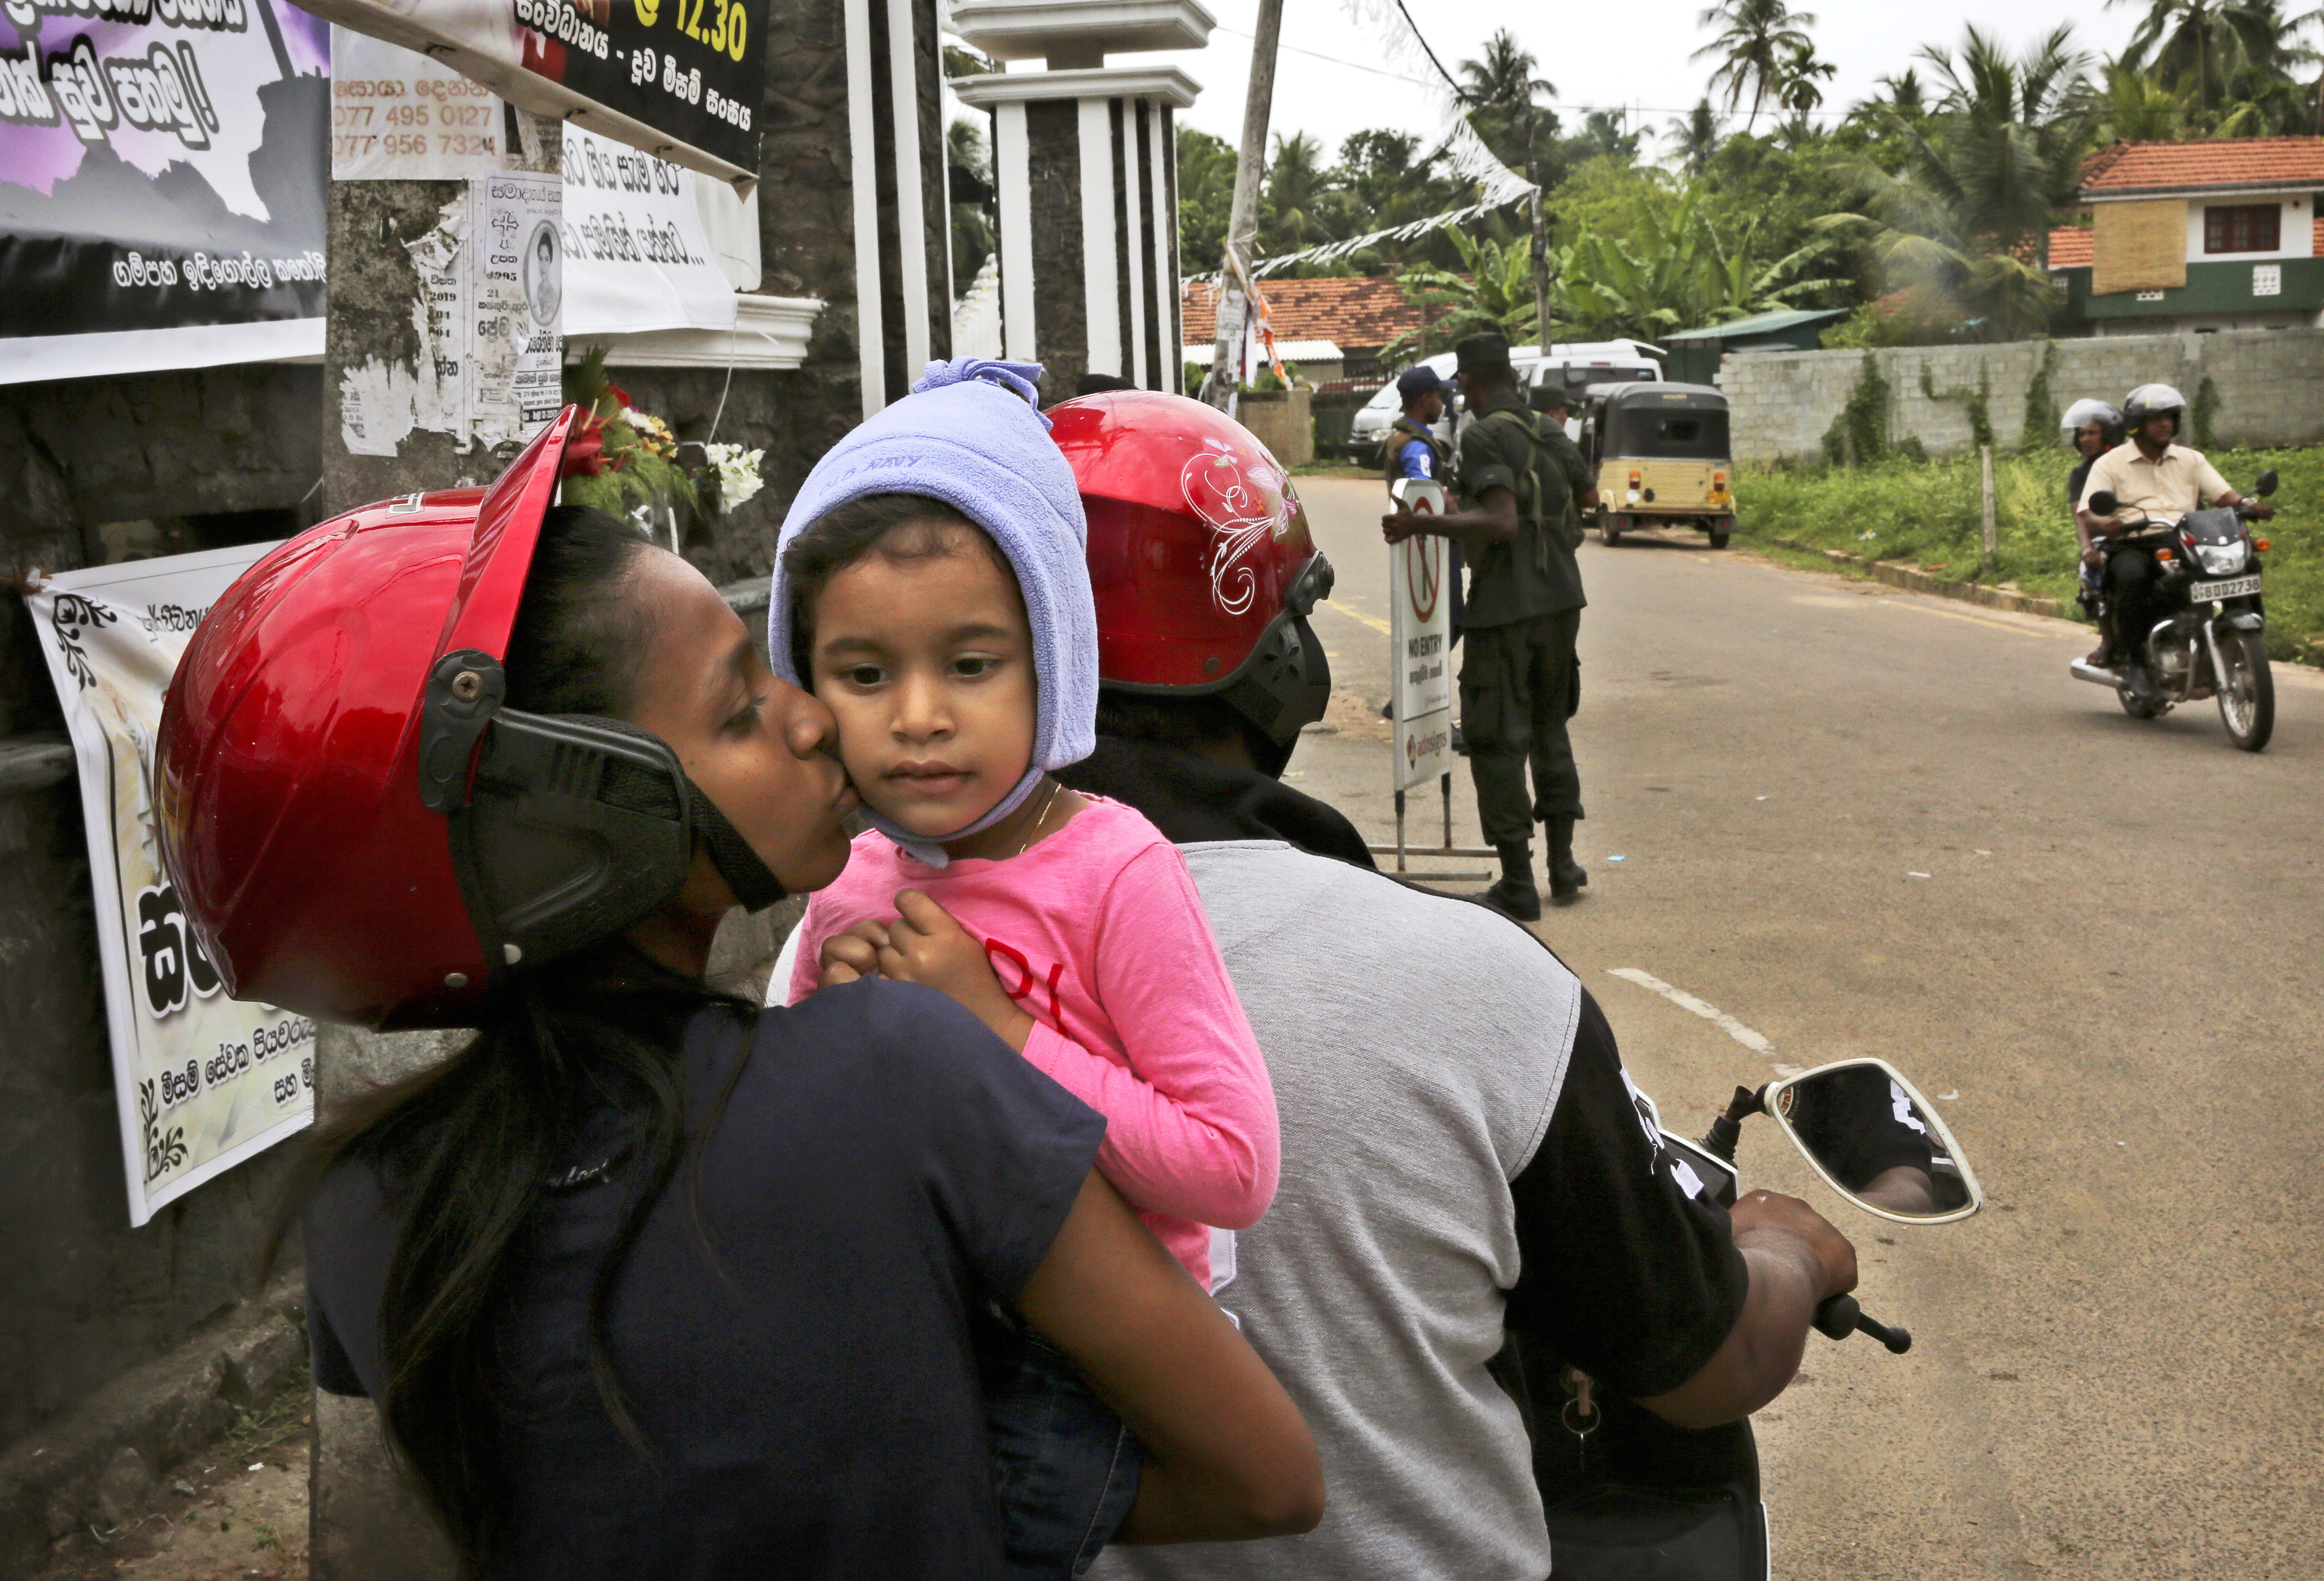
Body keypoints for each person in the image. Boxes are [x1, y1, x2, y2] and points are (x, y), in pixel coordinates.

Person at [155, 422, 1322, 1580]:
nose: (818, 715)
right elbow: (1267, 1476)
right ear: (585, 818)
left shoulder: (365, 1205)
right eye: (739, 705)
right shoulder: (901, 1071)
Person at [1040, 391, 1860, 1581]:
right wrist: (1791, 1252)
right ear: (1272, 657)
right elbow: (1702, 1371)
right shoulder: (1467, 984)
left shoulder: (864, 972)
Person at [768, 360, 1279, 1580]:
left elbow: (1233, 1166)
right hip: (921, 1331)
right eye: (866, 674)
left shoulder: (1115, 869)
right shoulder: (847, 880)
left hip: (1096, 1362)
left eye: (973, 662)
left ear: (1055, 656)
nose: (922, 717)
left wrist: (996, 1032)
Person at [1383, 332, 1587, 920]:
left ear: (1470, 383)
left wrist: (1419, 528)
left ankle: (1519, 883)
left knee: (1498, 738)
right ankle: (1564, 867)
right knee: (1552, 727)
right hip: (1563, 601)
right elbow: (1587, 494)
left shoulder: (1482, 434)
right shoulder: (1550, 431)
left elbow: (1500, 521)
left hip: (1507, 607)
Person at [2075, 382, 2274, 688]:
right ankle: (2136, 663)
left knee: (2246, 565)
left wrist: (2249, 504)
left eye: (2169, 417)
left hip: (2186, 539)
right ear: (2137, 425)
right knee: (2131, 578)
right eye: (2156, 418)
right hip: (2134, 542)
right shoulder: (2110, 463)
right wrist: (2106, 523)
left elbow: (2223, 495)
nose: (2165, 423)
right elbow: (2088, 511)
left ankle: (2243, 640)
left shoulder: (2190, 459)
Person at [2061, 398, 2124, 666]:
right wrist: (2088, 548)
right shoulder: (2081, 473)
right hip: (2105, 537)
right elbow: (2081, 515)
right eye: (2082, 434)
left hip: (2143, 531)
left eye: (2092, 433)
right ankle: (2108, 641)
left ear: (2107, 435)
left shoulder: (2125, 463)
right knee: (2095, 576)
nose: (2086, 439)